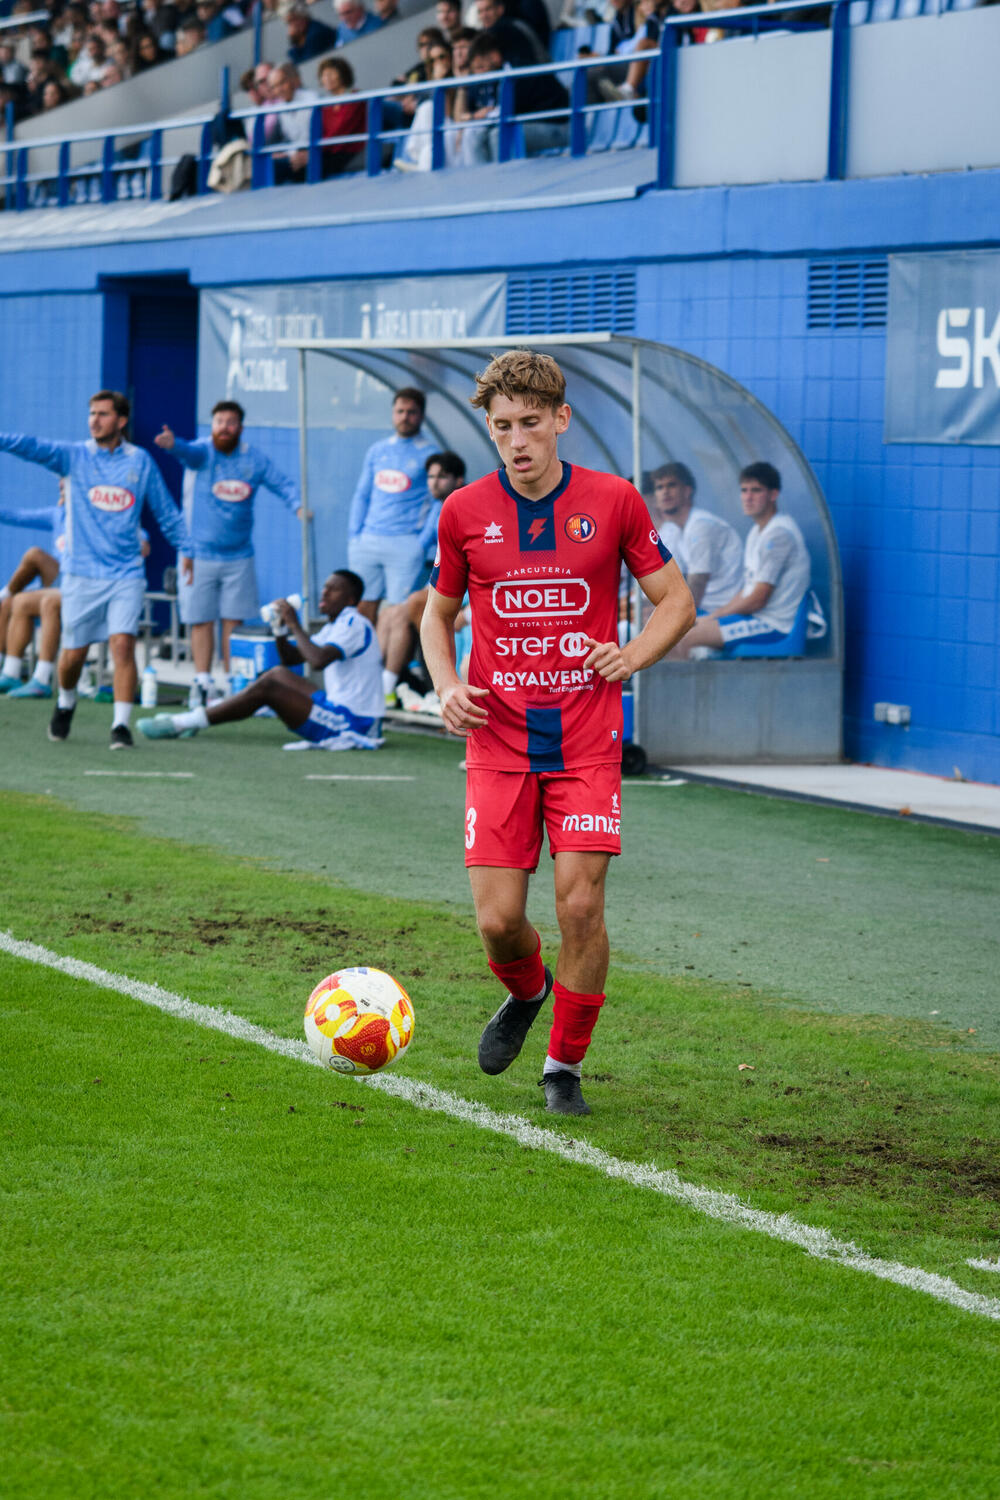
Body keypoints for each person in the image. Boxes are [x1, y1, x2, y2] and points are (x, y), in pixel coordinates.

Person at [420, 350, 695, 1116]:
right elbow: (436, 617)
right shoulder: (463, 512)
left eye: (531, 423)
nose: (517, 440)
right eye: (502, 426)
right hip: (497, 741)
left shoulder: (613, 501)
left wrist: (630, 656)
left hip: (585, 742)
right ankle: (528, 989)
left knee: (580, 907)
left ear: (561, 419)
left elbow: (676, 602)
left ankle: (563, 1068)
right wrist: (446, 686)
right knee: (498, 921)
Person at [0, 390, 191, 748]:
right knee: (73, 656)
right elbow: (30, 446)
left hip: (126, 575)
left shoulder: (141, 462)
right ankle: (66, 701)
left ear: (121, 420)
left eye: (103, 414)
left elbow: (166, 512)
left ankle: (120, 726)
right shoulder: (73, 456)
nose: (95, 421)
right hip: (81, 576)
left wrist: (189, 551)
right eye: (91, 414)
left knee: (123, 644)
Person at [154, 399, 302, 705]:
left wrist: (299, 505)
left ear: (240, 427)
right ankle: (202, 683)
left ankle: (232, 683)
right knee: (200, 619)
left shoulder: (253, 459)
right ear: (212, 425)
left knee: (234, 622)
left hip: (239, 556)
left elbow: (281, 483)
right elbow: (186, 452)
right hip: (197, 555)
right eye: (219, 422)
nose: (225, 428)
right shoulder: (202, 452)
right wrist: (172, 445)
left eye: (231, 422)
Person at [138, 568, 384, 751]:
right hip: (337, 709)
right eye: (325, 587)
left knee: (269, 688)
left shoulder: (353, 622)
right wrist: (280, 628)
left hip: (354, 723)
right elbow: (290, 659)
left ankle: (185, 722)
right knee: (276, 675)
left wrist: (294, 623)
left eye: (334, 589)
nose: (325, 593)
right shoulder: (335, 626)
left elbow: (318, 660)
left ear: (351, 600)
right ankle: (200, 716)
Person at [670, 461, 810, 657]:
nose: (748, 497)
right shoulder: (757, 531)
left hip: (774, 624)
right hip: (755, 617)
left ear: (773, 494)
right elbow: (748, 590)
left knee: (684, 637)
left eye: (756, 490)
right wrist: (713, 617)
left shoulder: (778, 535)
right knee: (675, 631)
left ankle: (677, 678)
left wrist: (715, 616)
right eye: (744, 490)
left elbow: (757, 599)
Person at [377, 449, 466, 702]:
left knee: (411, 605)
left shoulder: (464, 505)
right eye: (430, 477)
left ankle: (393, 687)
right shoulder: (438, 505)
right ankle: (382, 685)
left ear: (458, 480)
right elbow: (420, 546)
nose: (434, 483)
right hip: (443, 581)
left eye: (442, 477)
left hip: (465, 588)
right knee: (390, 612)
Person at [348, 387, 437, 623]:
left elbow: (438, 500)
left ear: (421, 416)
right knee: (362, 606)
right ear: (393, 413)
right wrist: (355, 535)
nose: (405, 417)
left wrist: (421, 543)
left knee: (398, 613)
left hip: (405, 542)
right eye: (400, 411)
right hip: (368, 540)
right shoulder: (378, 450)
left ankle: (396, 652)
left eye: (411, 412)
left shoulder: (431, 453)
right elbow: (362, 495)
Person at [651, 462, 742, 613]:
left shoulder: (700, 525)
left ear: (687, 491)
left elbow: (698, 583)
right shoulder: (677, 530)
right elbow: (671, 584)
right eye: (659, 487)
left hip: (722, 610)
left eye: (671, 485)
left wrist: (669, 617)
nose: (665, 492)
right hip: (705, 607)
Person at [463, 32, 569, 161]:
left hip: (558, 126)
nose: (478, 74)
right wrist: (476, 116)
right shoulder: (490, 78)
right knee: (472, 134)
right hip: (526, 125)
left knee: (501, 135)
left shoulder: (518, 71)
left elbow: (507, 112)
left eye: (481, 67)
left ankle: (505, 174)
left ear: (495, 56)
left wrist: (478, 116)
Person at [317, 54, 366, 176]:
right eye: (324, 75)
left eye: (331, 73)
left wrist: (316, 150)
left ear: (343, 74)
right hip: (330, 152)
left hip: (352, 152)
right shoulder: (325, 105)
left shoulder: (355, 97)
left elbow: (343, 129)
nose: (327, 78)